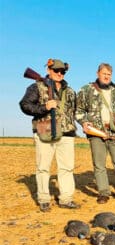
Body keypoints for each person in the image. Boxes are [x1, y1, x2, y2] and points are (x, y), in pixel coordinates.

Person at [19, 58, 79, 211]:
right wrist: (44, 107)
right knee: (43, 167)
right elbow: (25, 105)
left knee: (67, 168)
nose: (60, 73)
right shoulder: (36, 87)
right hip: (45, 128)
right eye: (56, 70)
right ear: (49, 70)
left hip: (67, 133)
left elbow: (75, 111)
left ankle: (66, 198)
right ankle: (44, 198)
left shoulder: (70, 91)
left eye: (62, 71)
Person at [76, 63, 115, 203]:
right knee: (99, 164)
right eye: (104, 73)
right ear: (98, 73)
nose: (106, 76)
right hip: (97, 133)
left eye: (109, 74)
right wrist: (84, 122)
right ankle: (103, 192)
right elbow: (78, 110)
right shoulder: (87, 90)